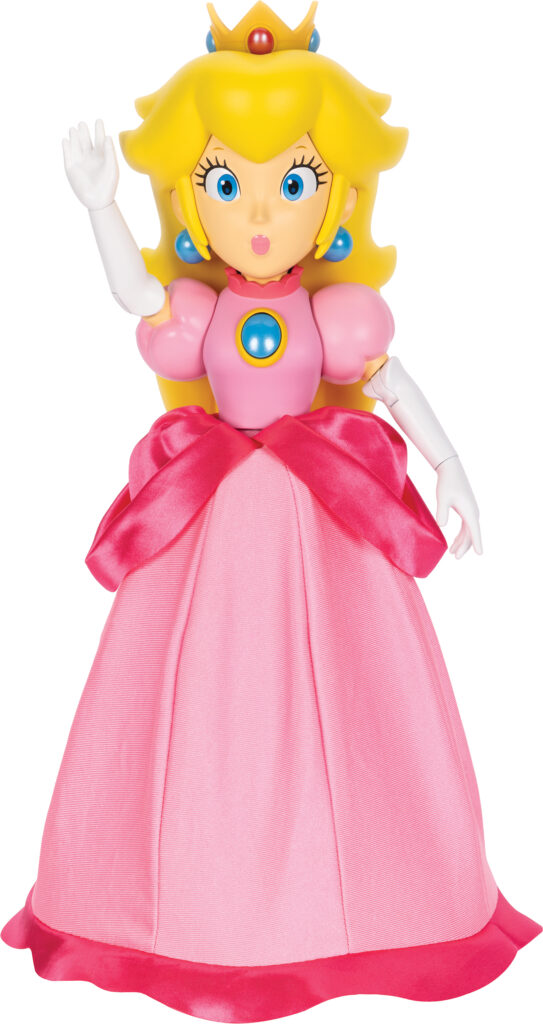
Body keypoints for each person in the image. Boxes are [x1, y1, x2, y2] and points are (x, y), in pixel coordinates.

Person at [2, 4, 540, 1020]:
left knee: (362, 699)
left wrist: (451, 464)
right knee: (188, 701)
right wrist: (99, 206)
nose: (257, 214)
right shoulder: (199, 311)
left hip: (321, 519)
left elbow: (390, 382)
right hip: (209, 520)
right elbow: (136, 296)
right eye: (226, 182)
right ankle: (180, 899)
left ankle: (373, 895)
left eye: (290, 184)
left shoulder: (335, 317)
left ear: (333, 198)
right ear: (190, 193)